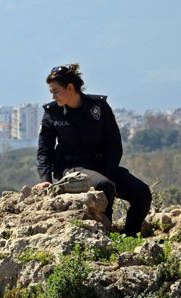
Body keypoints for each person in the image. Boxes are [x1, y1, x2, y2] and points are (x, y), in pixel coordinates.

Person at [35, 63, 152, 237]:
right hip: (72, 168)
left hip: (101, 165)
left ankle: (130, 236)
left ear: (70, 87)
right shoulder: (53, 113)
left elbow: (114, 144)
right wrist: (46, 179)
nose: (53, 96)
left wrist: (109, 172)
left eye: (56, 91)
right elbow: (45, 149)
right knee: (104, 186)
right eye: (51, 92)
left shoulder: (98, 107)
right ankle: (106, 237)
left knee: (141, 193)